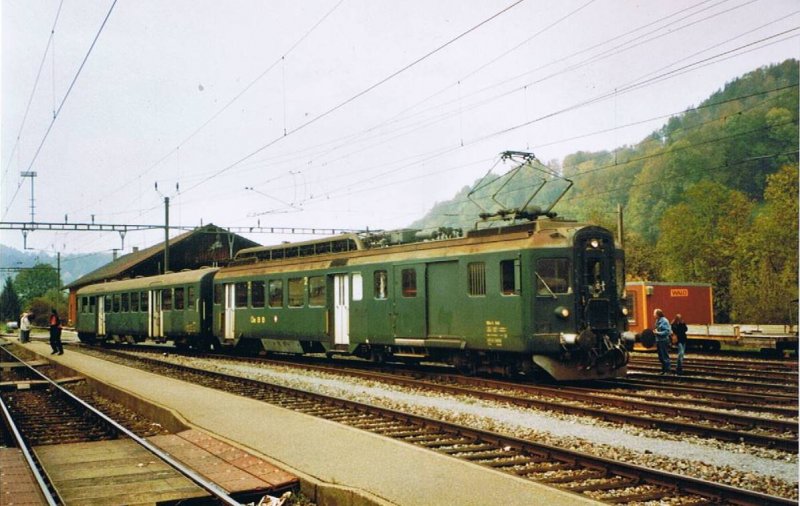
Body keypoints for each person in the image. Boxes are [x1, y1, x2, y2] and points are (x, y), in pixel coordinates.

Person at [653, 308, 671, 374]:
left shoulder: (664, 321)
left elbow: (667, 331)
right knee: (661, 356)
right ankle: (663, 370)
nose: (653, 314)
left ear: (658, 314)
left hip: (663, 340)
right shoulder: (657, 320)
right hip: (659, 340)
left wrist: (658, 333)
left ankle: (667, 370)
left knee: (664, 356)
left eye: (654, 313)